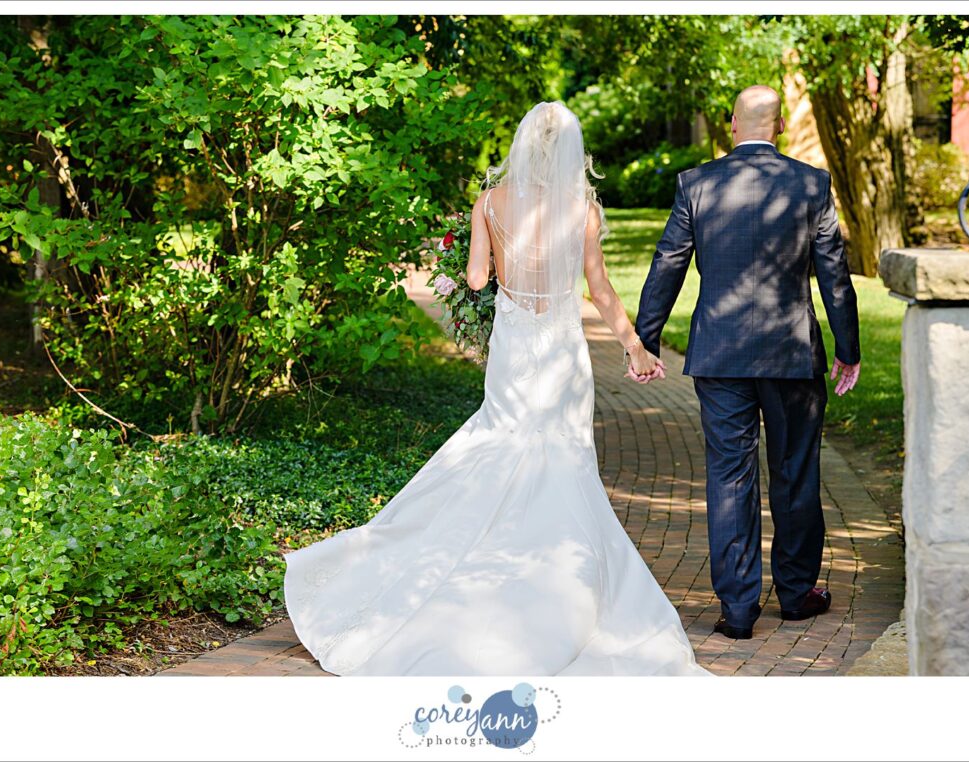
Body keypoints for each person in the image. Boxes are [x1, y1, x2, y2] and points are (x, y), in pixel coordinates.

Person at [283, 101, 711, 676]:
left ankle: (460, 560)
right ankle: (554, 581)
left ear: (523, 145)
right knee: (564, 461)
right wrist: (635, 348)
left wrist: (477, 244)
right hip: (562, 352)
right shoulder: (581, 209)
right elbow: (601, 289)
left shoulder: (492, 202)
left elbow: (478, 279)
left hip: (514, 348)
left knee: (498, 443)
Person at [632, 85, 862, 640]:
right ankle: (797, 593)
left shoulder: (698, 184)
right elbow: (833, 272)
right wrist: (847, 349)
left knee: (729, 477)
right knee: (795, 472)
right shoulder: (810, 185)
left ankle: (737, 608)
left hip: (720, 354)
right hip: (791, 354)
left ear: (732, 124)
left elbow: (669, 264)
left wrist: (646, 339)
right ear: (778, 126)